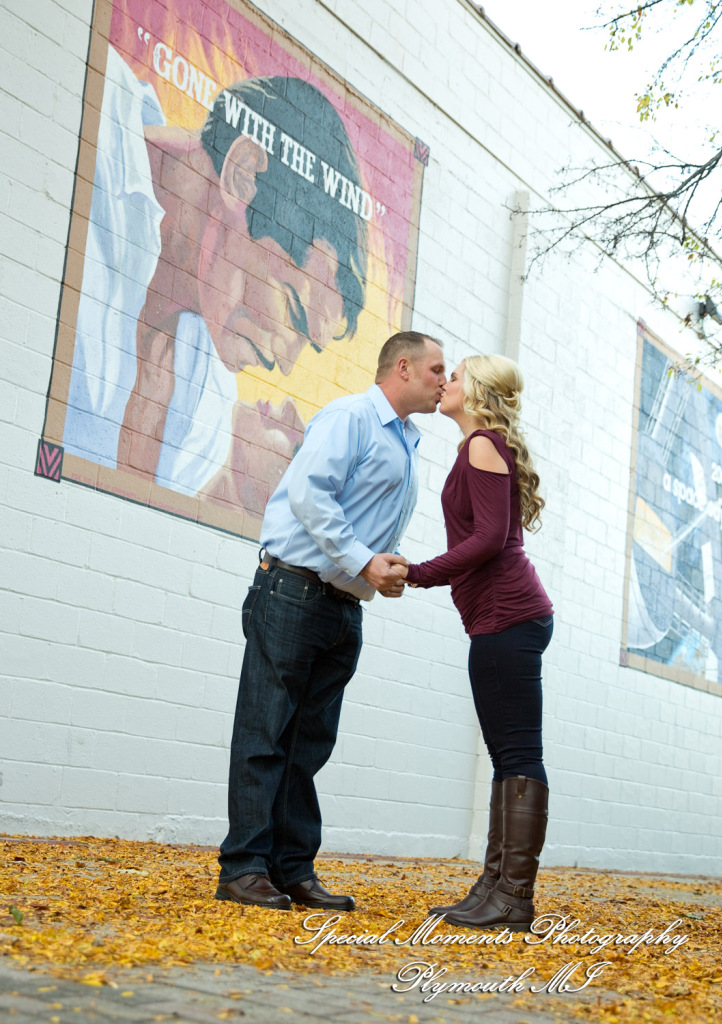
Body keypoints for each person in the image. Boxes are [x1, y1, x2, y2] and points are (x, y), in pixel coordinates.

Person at [63, 46, 367, 516]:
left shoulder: (210, 392)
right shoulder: (80, 109)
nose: (285, 363)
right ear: (242, 175)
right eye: (293, 307)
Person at [215, 331, 446, 911]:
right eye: (437, 370)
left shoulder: (407, 439)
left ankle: (291, 869)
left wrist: (384, 567)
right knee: (266, 734)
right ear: (403, 367)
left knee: (308, 746)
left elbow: (363, 517)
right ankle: (243, 868)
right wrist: (365, 561)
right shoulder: (350, 418)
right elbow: (310, 497)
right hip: (292, 592)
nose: (445, 381)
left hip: (342, 607)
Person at [395, 354, 553, 932]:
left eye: (456, 376)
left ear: (479, 391)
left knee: (519, 755)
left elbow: (488, 539)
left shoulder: (482, 444)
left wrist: (418, 573)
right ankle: (494, 887)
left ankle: (514, 897)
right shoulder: (480, 445)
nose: (446, 383)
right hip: (501, 617)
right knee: (507, 756)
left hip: (507, 616)